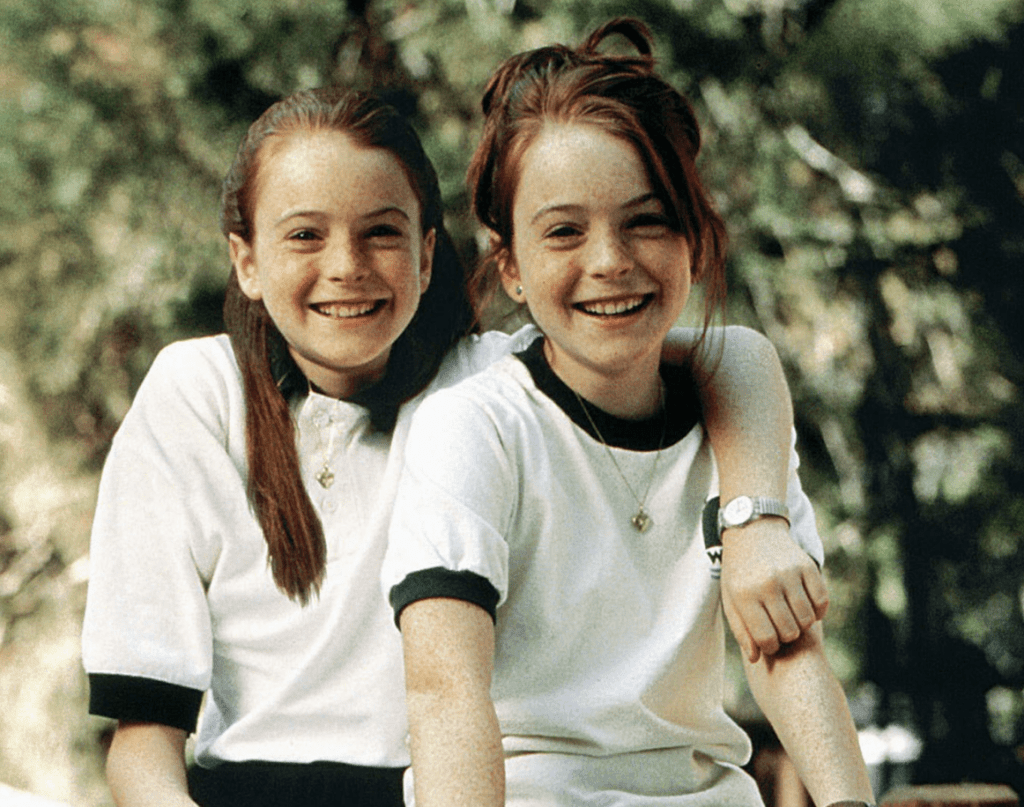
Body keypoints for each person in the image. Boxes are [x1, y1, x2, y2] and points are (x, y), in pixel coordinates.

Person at [82, 85, 825, 807]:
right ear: (245, 259)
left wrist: (756, 523)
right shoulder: (196, 392)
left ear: (428, 253)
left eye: (381, 231)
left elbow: (730, 357)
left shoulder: (483, 387)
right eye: (305, 233)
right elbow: (143, 740)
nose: (347, 264)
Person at [384, 19, 875, 807]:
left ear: (696, 240)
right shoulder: (476, 428)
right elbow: (446, 694)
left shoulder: (738, 428)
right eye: (564, 231)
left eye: (646, 219)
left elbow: (786, 651)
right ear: (510, 264)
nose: (609, 260)